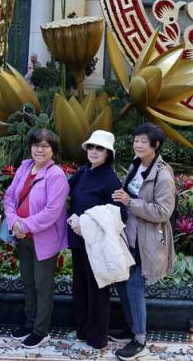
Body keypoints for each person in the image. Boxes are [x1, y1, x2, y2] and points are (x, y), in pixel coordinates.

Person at [111, 122, 176, 361]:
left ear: (155, 146)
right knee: (122, 282)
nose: (137, 145)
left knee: (135, 287)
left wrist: (130, 202)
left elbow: (163, 212)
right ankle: (131, 327)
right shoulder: (136, 165)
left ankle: (139, 339)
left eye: (143, 141)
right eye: (136, 140)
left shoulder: (163, 174)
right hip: (128, 235)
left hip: (145, 240)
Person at [3, 128, 69, 348]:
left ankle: (41, 330)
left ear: (53, 150)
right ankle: (29, 322)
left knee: (42, 285)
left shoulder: (56, 175)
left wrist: (26, 224)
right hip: (22, 237)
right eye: (36, 145)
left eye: (45, 146)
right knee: (28, 282)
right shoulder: (25, 167)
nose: (39, 149)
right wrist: (14, 223)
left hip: (43, 239)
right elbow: (10, 197)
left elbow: (52, 211)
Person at [66, 129, 121, 351]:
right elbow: (63, 190)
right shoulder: (83, 171)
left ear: (108, 153)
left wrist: (85, 222)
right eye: (91, 147)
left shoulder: (110, 179)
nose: (94, 151)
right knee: (80, 287)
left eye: (100, 148)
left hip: (97, 243)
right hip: (79, 242)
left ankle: (98, 337)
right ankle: (83, 330)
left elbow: (119, 213)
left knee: (98, 290)